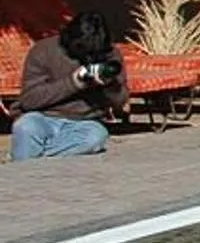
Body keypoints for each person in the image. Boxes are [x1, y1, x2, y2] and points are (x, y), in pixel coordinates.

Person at [9, 10, 123, 160]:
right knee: (25, 127)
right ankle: (24, 168)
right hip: (42, 117)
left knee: (96, 137)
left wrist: (110, 86)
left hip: (84, 122)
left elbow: (120, 101)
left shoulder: (109, 55)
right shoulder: (44, 50)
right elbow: (29, 100)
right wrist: (74, 83)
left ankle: (36, 158)